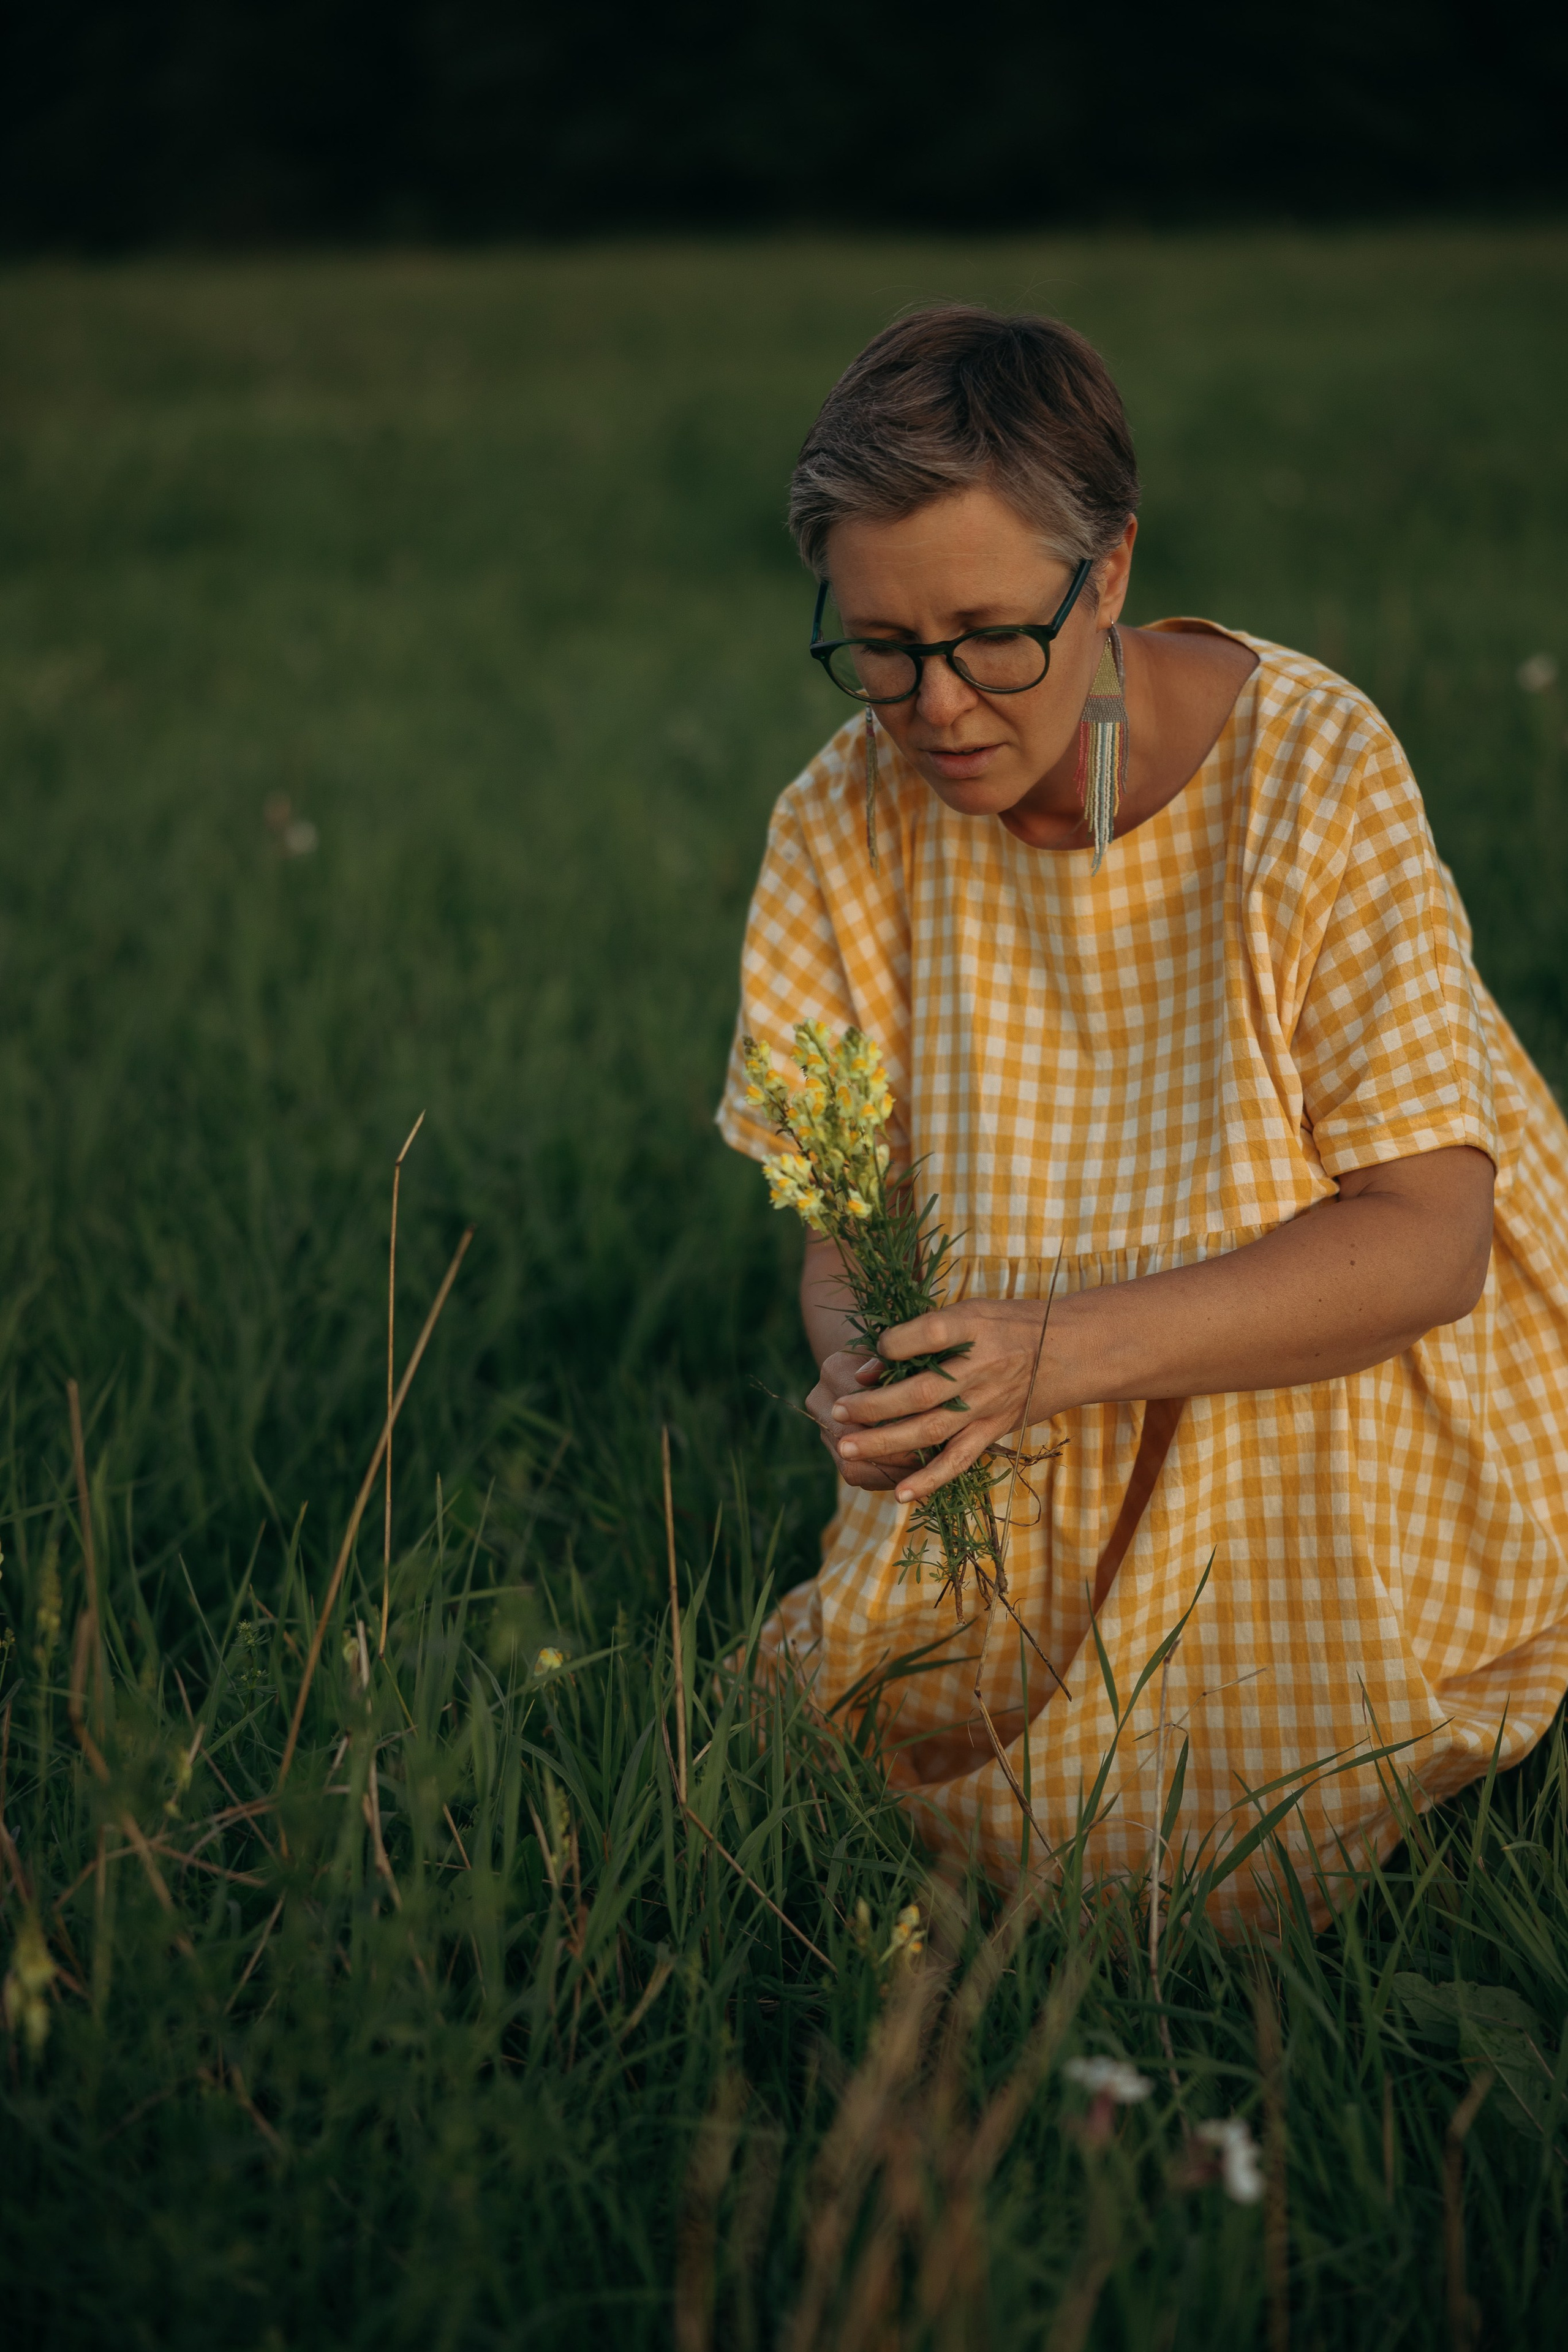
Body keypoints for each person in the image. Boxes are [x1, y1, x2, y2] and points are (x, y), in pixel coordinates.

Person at [716, 305, 1568, 1924]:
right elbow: (848, 1224)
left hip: (1319, 1356)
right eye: (880, 647)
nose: (938, 706)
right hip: (1029, 1386)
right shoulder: (842, 821)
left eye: (987, 635)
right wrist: (858, 1358)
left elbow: (1427, 1245)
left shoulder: (1311, 771)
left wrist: (1054, 1352)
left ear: (1106, 574)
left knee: (1150, 1852)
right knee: (837, 1734)